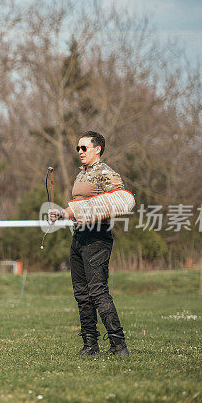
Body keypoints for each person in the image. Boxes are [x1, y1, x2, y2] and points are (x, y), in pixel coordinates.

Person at [50, 131, 130, 356]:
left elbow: (120, 200)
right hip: (79, 236)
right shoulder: (82, 175)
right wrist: (64, 214)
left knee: (97, 292)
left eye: (84, 148)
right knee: (81, 294)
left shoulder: (106, 173)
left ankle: (118, 344)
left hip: (97, 239)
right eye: (78, 148)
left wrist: (75, 210)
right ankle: (90, 344)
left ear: (97, 149)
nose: (80, 152)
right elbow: (80, 208)